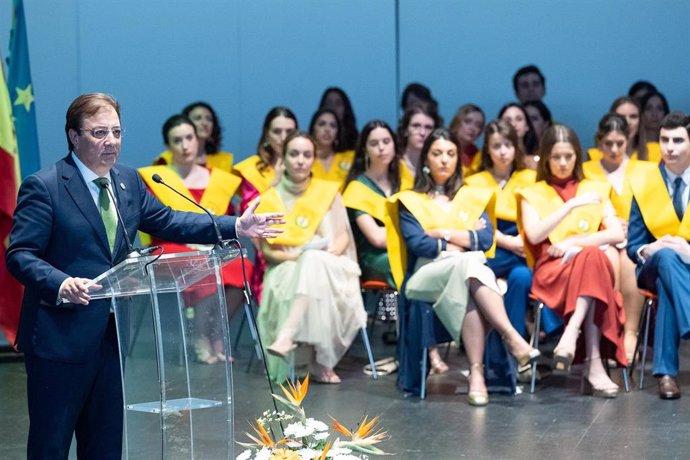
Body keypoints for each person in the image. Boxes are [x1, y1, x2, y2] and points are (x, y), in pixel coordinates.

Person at [4, 93, 283, 459]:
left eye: (117, 132)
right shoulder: (47, 186)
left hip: (110, 336)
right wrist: (61, 282)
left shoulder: (128, 182)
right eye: (99, 132)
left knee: (104, 444)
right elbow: (20, 254)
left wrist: (236, 225)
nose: (111, 142)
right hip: (60, 339)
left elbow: (171, 221)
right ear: (74, 136)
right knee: (51, 444)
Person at [386, 128, 539, 405]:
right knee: (470, 263)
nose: (444, 160)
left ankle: (477, 376)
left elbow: (485, 239)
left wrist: (441, 233)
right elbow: (419, 245)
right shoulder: (409, 200)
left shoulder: (472, 196)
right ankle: (512, 337)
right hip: (425, 275)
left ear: (459, 159)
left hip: (464, 271)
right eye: (437, 153)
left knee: (467, 272)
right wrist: (461, 238)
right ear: (426, 159)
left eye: (451, 153)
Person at [518, 124, 627, 398]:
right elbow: (534, 234)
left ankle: (572, 335)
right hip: (552, 272)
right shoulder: (532, 193)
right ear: (545, 158)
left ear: (577, 156)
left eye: (569, 156)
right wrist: (569, 206)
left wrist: (574, 243)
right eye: (557, 157)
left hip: (585, 267)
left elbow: (616, 232)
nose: (564, 163)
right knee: (594, 262)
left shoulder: (595, 187)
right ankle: (593, 363)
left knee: (591, 257)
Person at [255, 131, 367, 384]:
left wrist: (326, 252)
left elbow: (342, 238)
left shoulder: (327, 192)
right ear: (283, 158)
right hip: (287, 265)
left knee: (315, 262)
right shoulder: (269, 198)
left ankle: (287, 336)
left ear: (314, 158)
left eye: (307, 155)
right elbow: (268, 251)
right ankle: (319, 362)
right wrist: (298, 257)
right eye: (294, 154)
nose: (300, 160)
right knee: (310, 266)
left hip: (330, 262)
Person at [139, 114, 248, 364]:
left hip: (211, 248)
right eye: (177, 140)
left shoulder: (217, 179)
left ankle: (217, 331)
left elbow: (227, 222)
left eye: (189, 138)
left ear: (198, 140)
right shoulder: (157, 179)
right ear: (168, 145)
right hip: (169, 246)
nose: (185, 145)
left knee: (242, 268)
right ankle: (199, 335)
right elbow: (153, 222)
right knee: (205, 266)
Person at [627, 111, 690, 400]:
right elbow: (633, 246)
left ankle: (666, 374)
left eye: (678, 140)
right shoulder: (645, 183)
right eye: (665, 139)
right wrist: (647, 249)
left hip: (683, 267)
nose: (670, 147)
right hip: (652, 266)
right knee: (664, 258)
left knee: (670, 274)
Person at [465, 120, 538, 347]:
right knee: (480, 275)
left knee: (522, 277)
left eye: (508, 145)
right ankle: (506, 349)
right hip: (489, 248)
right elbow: (470, 225)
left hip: (524, 244)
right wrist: (507, 241)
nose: (503, 151)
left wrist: (522, 241)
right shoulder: (472, 182)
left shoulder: (530, 178)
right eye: (497, 146)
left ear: (516, 147)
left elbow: (539, 218)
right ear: (487, 148)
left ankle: (513, 350)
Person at [583, 113, 648, 362]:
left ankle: (630, 333)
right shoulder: (586, 169)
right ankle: (608, 336)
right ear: (599, 141)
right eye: (608, 143)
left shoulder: (643, 170)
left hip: (633, 236)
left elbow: (651, 208)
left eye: (619, 143)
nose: (613, 149)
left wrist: (633, 227)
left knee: (632, 262)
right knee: (607, 262)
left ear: (628, 139)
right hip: (600, 236)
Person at [234, 106, 297, 303]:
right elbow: (248, 213)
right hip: (269, 244)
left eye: (289, 131)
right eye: (277, 131)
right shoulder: (253, 168)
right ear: (266, 135)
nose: (283, 137)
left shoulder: (305, 164)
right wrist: (276, 180)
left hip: (303, 238)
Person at [343, 120, 405, 287]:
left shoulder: (404, 183)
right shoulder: (356, 188)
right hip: (374, 257)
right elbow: (376, 237)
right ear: (365, 149)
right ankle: (394, 312)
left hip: (405, 249)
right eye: (374, 143)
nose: (381, 148)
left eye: (386, 142)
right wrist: (413, 234)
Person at [153, 101, 234, 172]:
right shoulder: (165, 159)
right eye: (198, 118)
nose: (204, 123)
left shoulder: (225, 160)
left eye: (209, 119)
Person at [588, 97, 662, 163]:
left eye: (633, 116)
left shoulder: (656, 151)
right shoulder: (593, 155)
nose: (628, 122)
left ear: (641, 121)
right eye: (621, 117)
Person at [398, 104, 443, 189]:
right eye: (416, 126)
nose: (422, 132)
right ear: (405, 130)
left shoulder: (440, 165)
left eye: (428, 127)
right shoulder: (392, 165)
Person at [309, 108, 354, 191]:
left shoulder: (350, 158)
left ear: (338, 132)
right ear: (313, 129)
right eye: (322, 124)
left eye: (333, 126)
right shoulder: (304, 159)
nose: (327, 129)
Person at [449, 103, 486, 177]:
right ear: (458, 122)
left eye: (478, 125)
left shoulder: (478, 156)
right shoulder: (442, 145)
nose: (472, 128)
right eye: (468, 121)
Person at [318, 87, 358, 152]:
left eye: (338, 104)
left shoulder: (357, 141)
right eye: (329, 103)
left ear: (345, 109)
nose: (333, 107)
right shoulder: (311, 143)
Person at [499, 102, 539, 167]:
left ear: (527, 126)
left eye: (519, 119)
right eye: (508, 120)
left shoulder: (539, 159)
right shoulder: (493, 159)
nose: (513, 124)